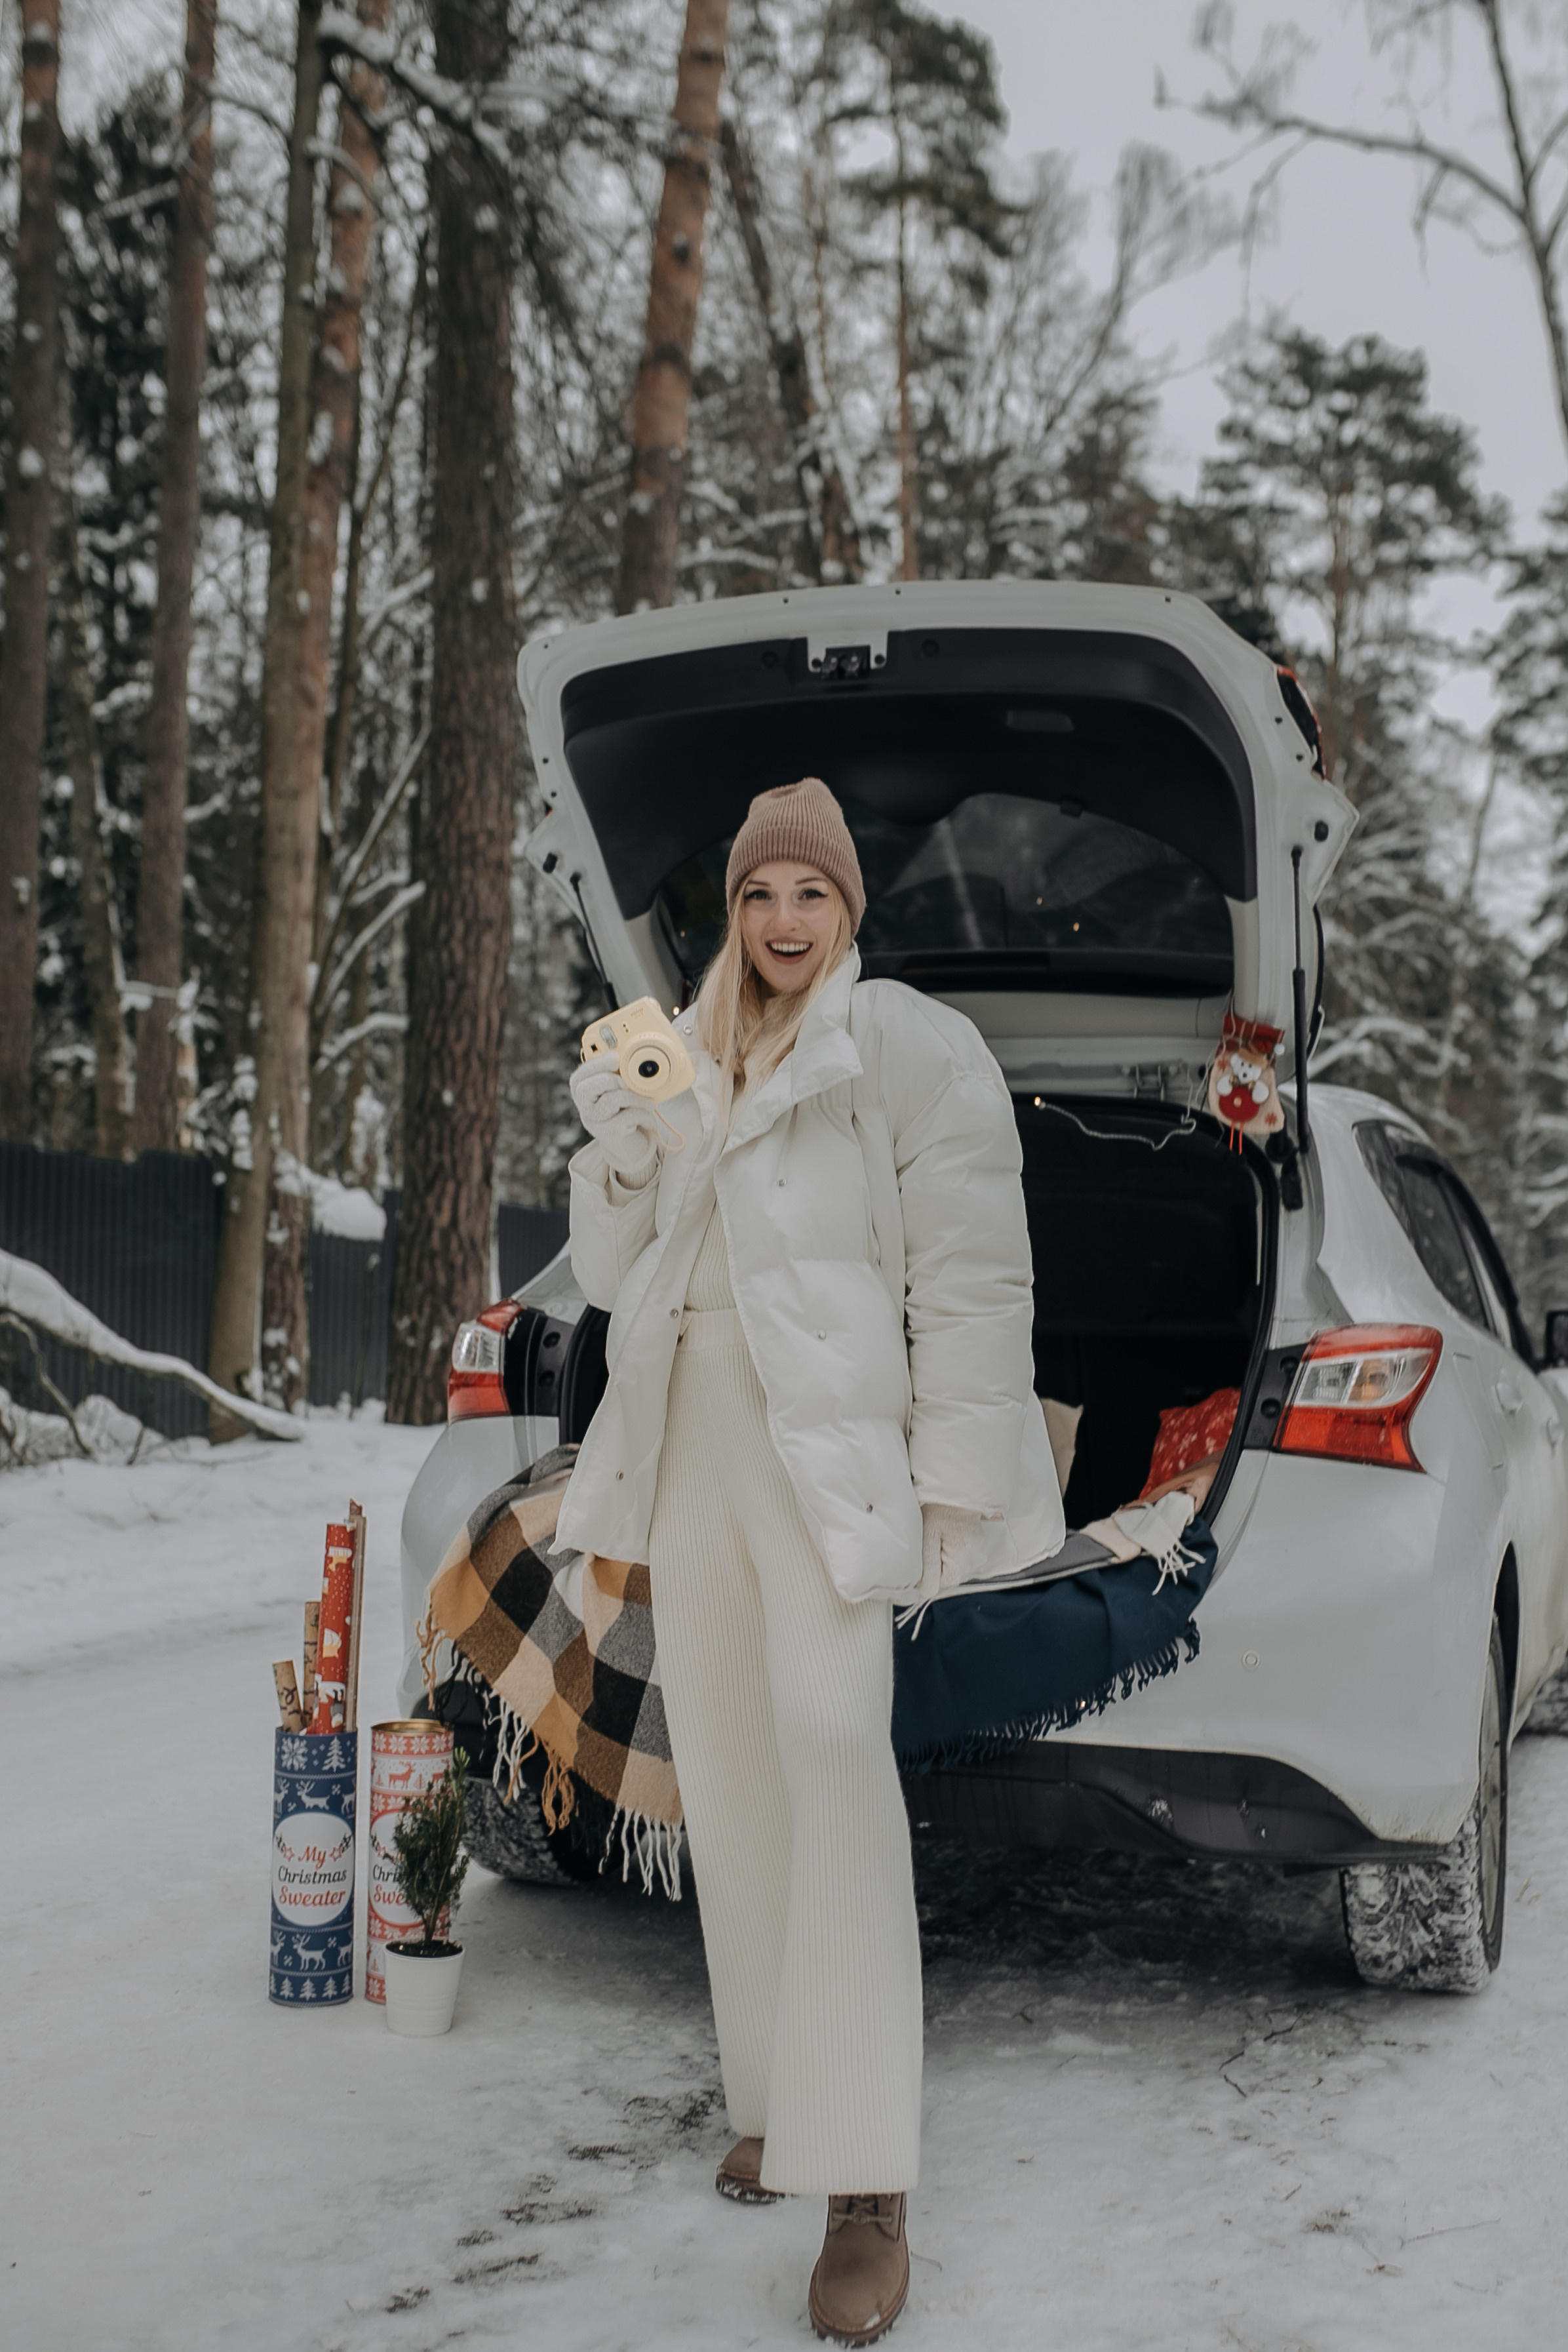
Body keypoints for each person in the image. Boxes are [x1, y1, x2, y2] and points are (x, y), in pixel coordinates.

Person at [561, 776, 1062, 2345]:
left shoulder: (903, 1045)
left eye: (811, 897)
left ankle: (864, 2180)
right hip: (690, 1438)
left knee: (835, 1747)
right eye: (760, 896)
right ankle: (781, 2094)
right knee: (732, 1761)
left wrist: (952, 1490)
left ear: (851, 910)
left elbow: (973, 1280)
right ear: (735, 908)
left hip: (824, 1455)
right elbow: (601, 1268)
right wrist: (630, 1140)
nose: (783, 924)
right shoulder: (688, 1044)